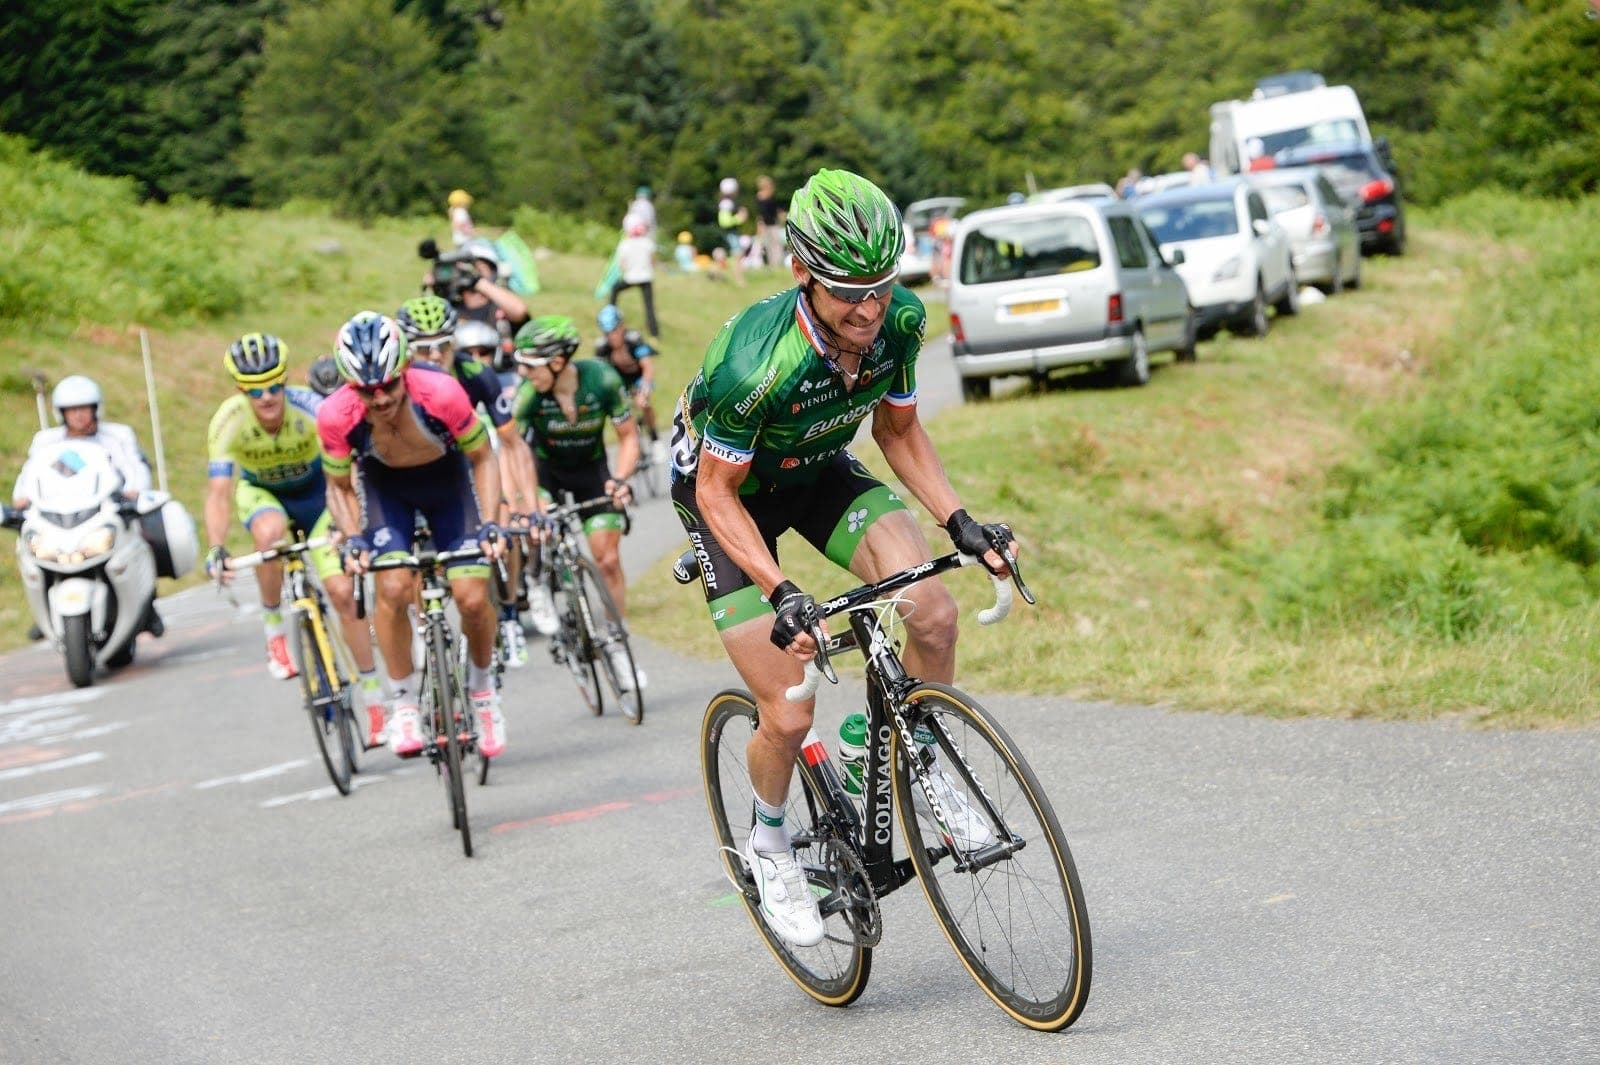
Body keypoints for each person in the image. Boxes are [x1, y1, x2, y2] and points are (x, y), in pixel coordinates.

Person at [668, 167, 1018, 948]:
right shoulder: (753, 365)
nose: (868, 311)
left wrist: (959, 520)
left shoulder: (898, 322)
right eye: (846, 292)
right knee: (788, 711)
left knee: (931, 608)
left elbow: (897, 432)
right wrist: (782, 587)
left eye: (881, 288)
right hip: (729, 499)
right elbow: (718, 494)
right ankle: (768, 844)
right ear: (800, 273)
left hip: (818, 470)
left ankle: (917, 758)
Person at [317, 312, 508, 759]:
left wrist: (490, 521)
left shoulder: (441, 391)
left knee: (472, 597)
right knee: (394, 586)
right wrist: (352, 538)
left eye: (388, 385)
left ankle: (482, 692)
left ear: (404, 370)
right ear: (350, 387)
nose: (380, 398)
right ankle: (402, 701)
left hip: (449, 485)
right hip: (388, 494)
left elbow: (483, 458)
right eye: (368, 391)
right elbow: (340, 487)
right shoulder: (334, 414)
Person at [203, 335, 383, 726]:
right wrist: (216, 546)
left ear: (286, 381)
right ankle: (274, 630)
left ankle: (373, 695)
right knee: (268, 534)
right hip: (264, 494)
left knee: (341, 592)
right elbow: (219, 493)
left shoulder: (313, 408)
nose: (267, 397)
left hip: (319, 496)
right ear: (240, 390)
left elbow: (347, 472)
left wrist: (348, 525)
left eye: (274, 386)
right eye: (255, 391)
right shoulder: (229, 421)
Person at [397, 295, 542, 668]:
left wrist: (527, 502)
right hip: (426, 472)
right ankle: (421, 625)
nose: (434, 355)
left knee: (505, 525)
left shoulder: (477, 375)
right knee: (415, 553)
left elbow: (511, 444)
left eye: (442, 345)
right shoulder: (398, 387)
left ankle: (508, 614)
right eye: (421, 349)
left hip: (475, 463)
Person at [510, 316, 642, 687]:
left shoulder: (602, 380)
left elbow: (628, 436)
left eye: (530, 365)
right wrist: (525, 503)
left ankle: (615, 640)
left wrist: (620, 480)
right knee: (539, 531)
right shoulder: (527, 394)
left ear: (557, 362)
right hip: (545, 474)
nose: (523, 372)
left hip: (591, 471)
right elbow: (513, 451)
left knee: (608, 557)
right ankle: (536, 578)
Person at [11, 374, 164, 639]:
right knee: (31, 551)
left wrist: (134, 492)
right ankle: (45, 613)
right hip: (59, 517)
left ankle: (147, 606)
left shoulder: (116, 436)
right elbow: (28, 477)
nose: (79, 416)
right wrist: (21, 499)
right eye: (72, 410)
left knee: (145, 536)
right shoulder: (46, 442)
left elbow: (136, 468)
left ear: (96, 409)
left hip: (105, 512)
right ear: (62, 414)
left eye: (84, 409)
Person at [593, 305, 665, 466]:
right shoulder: (602, 347)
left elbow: (647, 366)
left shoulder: (633, 339)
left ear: (621, 326)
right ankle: (630, 444)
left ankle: (655, 440)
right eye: (608, 333)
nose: (612, 337)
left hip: (639, 377)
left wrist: (644, 388)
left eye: (615, 331)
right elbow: (599, 374)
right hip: (620, 380)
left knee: (642, 403)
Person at [608, 220, 660, 339]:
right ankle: (655, 333)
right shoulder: (648, 243)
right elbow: (653, 261)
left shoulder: (625, 244)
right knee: (649, 306)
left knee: (615, 290)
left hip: (631, 277)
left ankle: (610, 315)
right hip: (646, 278)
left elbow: (622, 264)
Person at [717, 177, 748, 287]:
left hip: (730, 233)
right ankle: (739, 280)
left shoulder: (726, 202)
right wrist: (739, 218)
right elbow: (724, 222)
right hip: (730, 233)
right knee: (737, 256)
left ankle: (720, 275)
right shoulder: (727, 203)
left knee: (733, 256)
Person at [754, 175, 785, 270]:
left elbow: (775, 210)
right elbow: (760, 213)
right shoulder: (760, 198)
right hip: (765, 224)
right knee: (768, 245)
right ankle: (772, 264)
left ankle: (777, 263)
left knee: (776, 244)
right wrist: (760, 225)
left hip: (774, 224)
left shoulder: (771, 197)